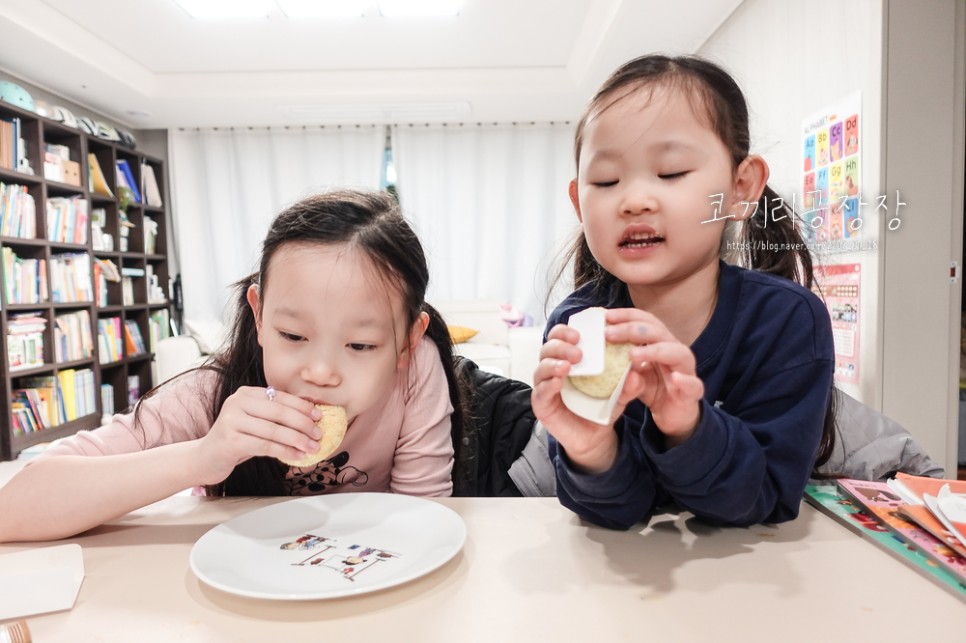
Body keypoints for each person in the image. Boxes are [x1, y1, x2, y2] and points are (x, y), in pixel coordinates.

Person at [0, 189, 464, 542]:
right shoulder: (213, 394)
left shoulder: (416, 372)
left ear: (407, 340)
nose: (321, 372)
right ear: (260, 316)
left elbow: (423, 523)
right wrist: (203, 456)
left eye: (361, 345)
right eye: (293, 336)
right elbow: (15, 507)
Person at [532, 54, 837, 530]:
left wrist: (688, 427)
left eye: (671, 172)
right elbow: (617, 513)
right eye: (606, 181)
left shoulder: (786, 320)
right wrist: (590, 449)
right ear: (578, 201)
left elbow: (765, 501)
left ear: (739, 187)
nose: (633, 200)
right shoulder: (578, 326)